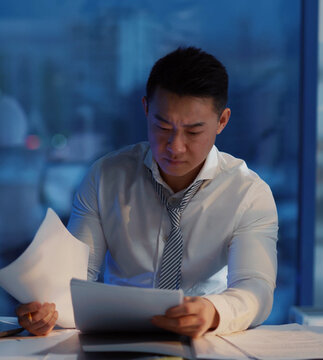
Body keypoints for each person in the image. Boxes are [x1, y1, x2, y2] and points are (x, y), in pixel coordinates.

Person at [15, 47, 278, 338]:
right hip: (116, 339)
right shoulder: (105, 177)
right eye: (162, 126)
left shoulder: (248, 193)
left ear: (222, 121)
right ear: (145, 109)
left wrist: (213, 312)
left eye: (193, 132)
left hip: (204, 338)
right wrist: (46, 312)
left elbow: (256, 287)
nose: (175, 147)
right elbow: (74, 281)